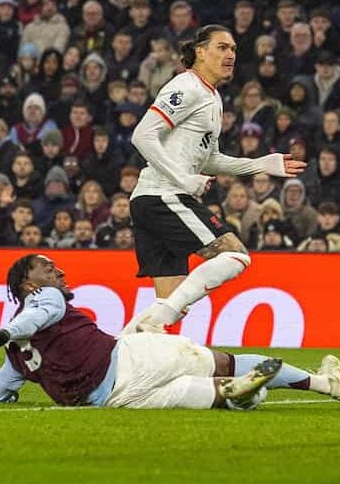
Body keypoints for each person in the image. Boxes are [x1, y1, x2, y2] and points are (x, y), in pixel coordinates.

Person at [0, 254, 340, 409]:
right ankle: (323, 385)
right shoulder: (47, 300)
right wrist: (2, 333)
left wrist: (2, 398)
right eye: (47, 268)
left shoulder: (16, 357)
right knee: (226, 362)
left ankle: (238, 398)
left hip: (113, 401)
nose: (57, 272)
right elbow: (32, 320)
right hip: (129, 360)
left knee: (205, 394)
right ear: (28, 285)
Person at [123, 26, 306, 335]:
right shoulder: (186, 86)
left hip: (151, 199)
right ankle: (153, 323)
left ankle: (112, 354)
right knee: (234, 254)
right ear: (200, 52)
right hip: (162, 196)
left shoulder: (212, 97)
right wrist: (183, 178)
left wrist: (260, 164)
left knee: (167, 309)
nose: (231, 54)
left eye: (233, 48)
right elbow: (142, 134)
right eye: (222, 47)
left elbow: (210, 159)